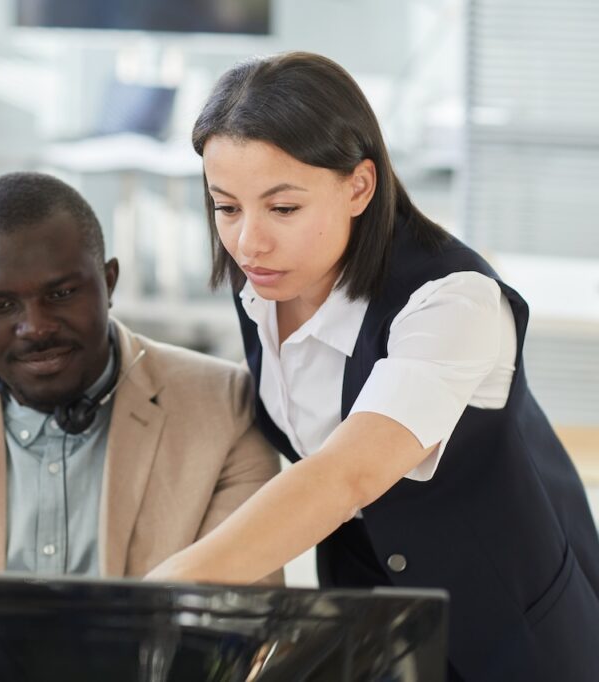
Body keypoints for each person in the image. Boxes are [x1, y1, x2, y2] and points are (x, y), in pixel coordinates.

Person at [144, 52, 599, 681]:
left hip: (509, 630)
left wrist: (159, 591)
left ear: (360, 185)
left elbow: (345, 475)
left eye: (282, 208)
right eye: (226, 207)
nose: (249, 240)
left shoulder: (452, 300)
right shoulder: (268, 278)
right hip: (372, 622)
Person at [0, 172, 282, 578]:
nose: (35, 326)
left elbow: (237, 629)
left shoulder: (226, 408)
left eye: (61, 294)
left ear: (109, 283)